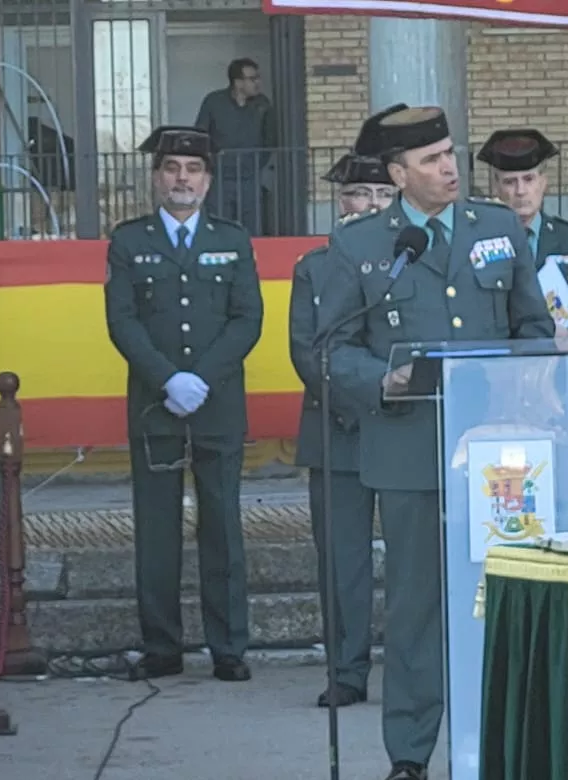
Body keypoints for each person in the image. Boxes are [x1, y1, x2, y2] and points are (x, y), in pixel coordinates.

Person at [321, 104, 554, 780]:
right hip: (409, 452)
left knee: (504, 600)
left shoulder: (495, 228)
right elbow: (330, 349)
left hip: (497, 461)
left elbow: (533, 326)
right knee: (417, 607)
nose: (450, 168)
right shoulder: (360, 246)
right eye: (431, 160)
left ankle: (509, 746)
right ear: (396, 174)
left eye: (451, 154)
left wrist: (534, 378)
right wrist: (380, 380)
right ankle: (411, 755)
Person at [104, 125, 264, 683]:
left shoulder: (233, 238)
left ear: (208, 180)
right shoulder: (129, 241)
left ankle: (229, 647)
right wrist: (169, 378)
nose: (182, 179)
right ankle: (162, 647)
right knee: (156, 528)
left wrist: (202, 377)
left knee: (222, 526)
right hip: (156, 406)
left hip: (217, 405)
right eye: (172, 169)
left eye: (193, 170)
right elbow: (122, 320)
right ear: (156, 177)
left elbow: (248, 318)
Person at [287, 131, 398, 709]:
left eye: (382, 192)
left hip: (403, 429)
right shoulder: (315, 267)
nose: (372, 204)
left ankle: (409, 670)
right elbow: (309, 352)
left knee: (411, 562)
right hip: (336, 430)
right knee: (343, 563)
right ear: (341, 203)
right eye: (359, 193)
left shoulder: (412, 257)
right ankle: (347, 671)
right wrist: (367, 397)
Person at [476, 128, 568, 529]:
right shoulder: (479, 244)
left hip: (559, 398)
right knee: (505, 512)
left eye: (528, 179)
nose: (520, 191)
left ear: (544, 183)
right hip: (499, 398)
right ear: (496, 188)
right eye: (509, 182)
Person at [195, 58, 275, 235]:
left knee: (253, 228)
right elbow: (200, 134)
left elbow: (270, 139)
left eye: (258, 78)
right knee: (218, 226)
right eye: (252, 78)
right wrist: (212, 162)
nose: (258, 82)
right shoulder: (214, 102)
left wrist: (257, 163)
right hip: (220, 177)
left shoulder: (262, 104)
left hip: (250, 177)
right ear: (238, 82)